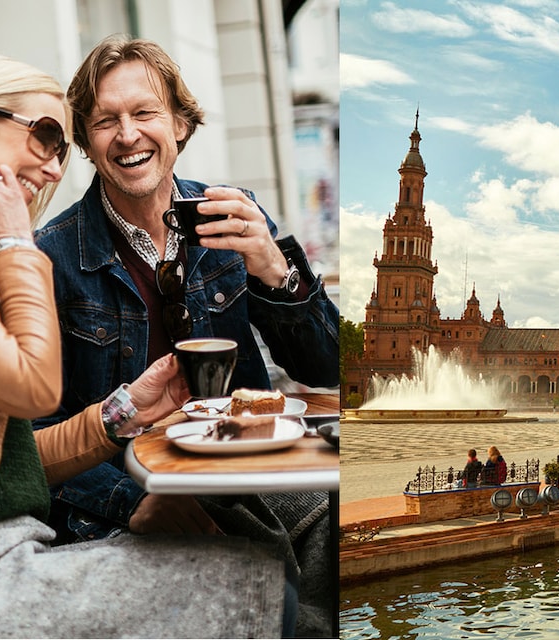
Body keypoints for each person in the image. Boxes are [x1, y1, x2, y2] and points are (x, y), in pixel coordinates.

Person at [0, 54, 293, 638]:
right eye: (44, 136)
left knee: (259, 563)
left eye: (62, 149)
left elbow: (16, 461)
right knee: (252, 584)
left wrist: (127, 409)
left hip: (8, 549)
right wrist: (15, 243)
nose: (51, 168)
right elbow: (35, 386)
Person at [30, 35, 340, 637]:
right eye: (105, 121)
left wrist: (275, 269)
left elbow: (325, 367)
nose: (127, 135)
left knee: (344, 522)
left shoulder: (232, 215)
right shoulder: (50, 256)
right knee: (252, 583)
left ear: (180, 123)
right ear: (86, 142)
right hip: (124, 498)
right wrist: (133, 503)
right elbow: (36, 438)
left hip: (245, 472)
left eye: (144, 113)